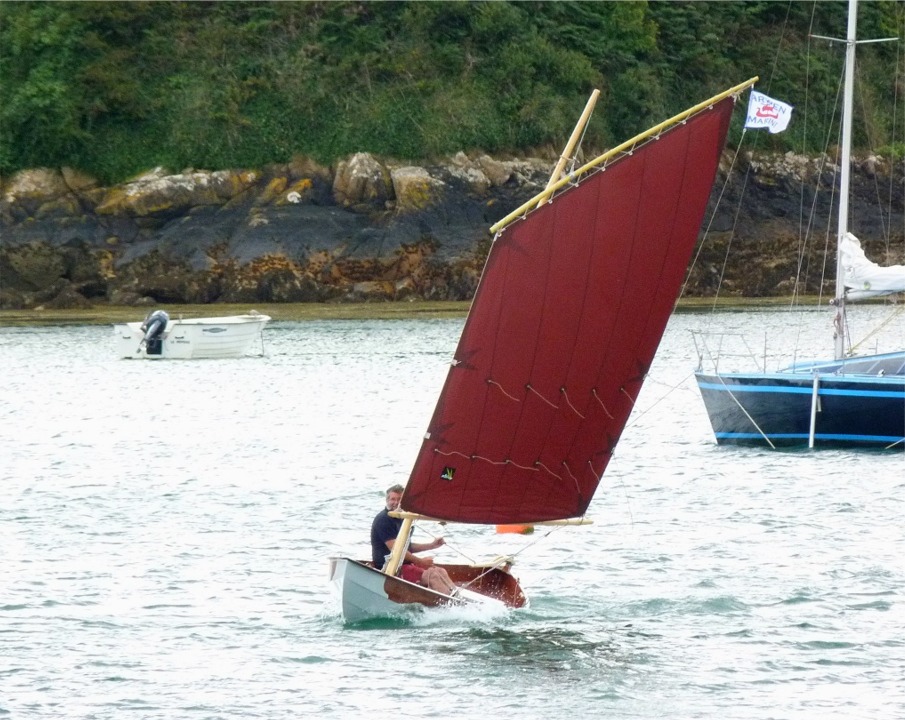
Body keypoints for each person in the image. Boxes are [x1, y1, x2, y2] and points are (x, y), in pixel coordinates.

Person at [370, 484, 458, 595]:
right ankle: (448, 607)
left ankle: (458, 602)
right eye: (393, 499)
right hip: (389, 568)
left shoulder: (404, 518)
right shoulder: (383, 520)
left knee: (440, 571)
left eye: (399, 499)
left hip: (405, 564)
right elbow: (396, 549)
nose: (396, 502)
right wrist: (421, 562)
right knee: (433, 576)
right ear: (387, 500)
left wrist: (431, 545)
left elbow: (408, 546)